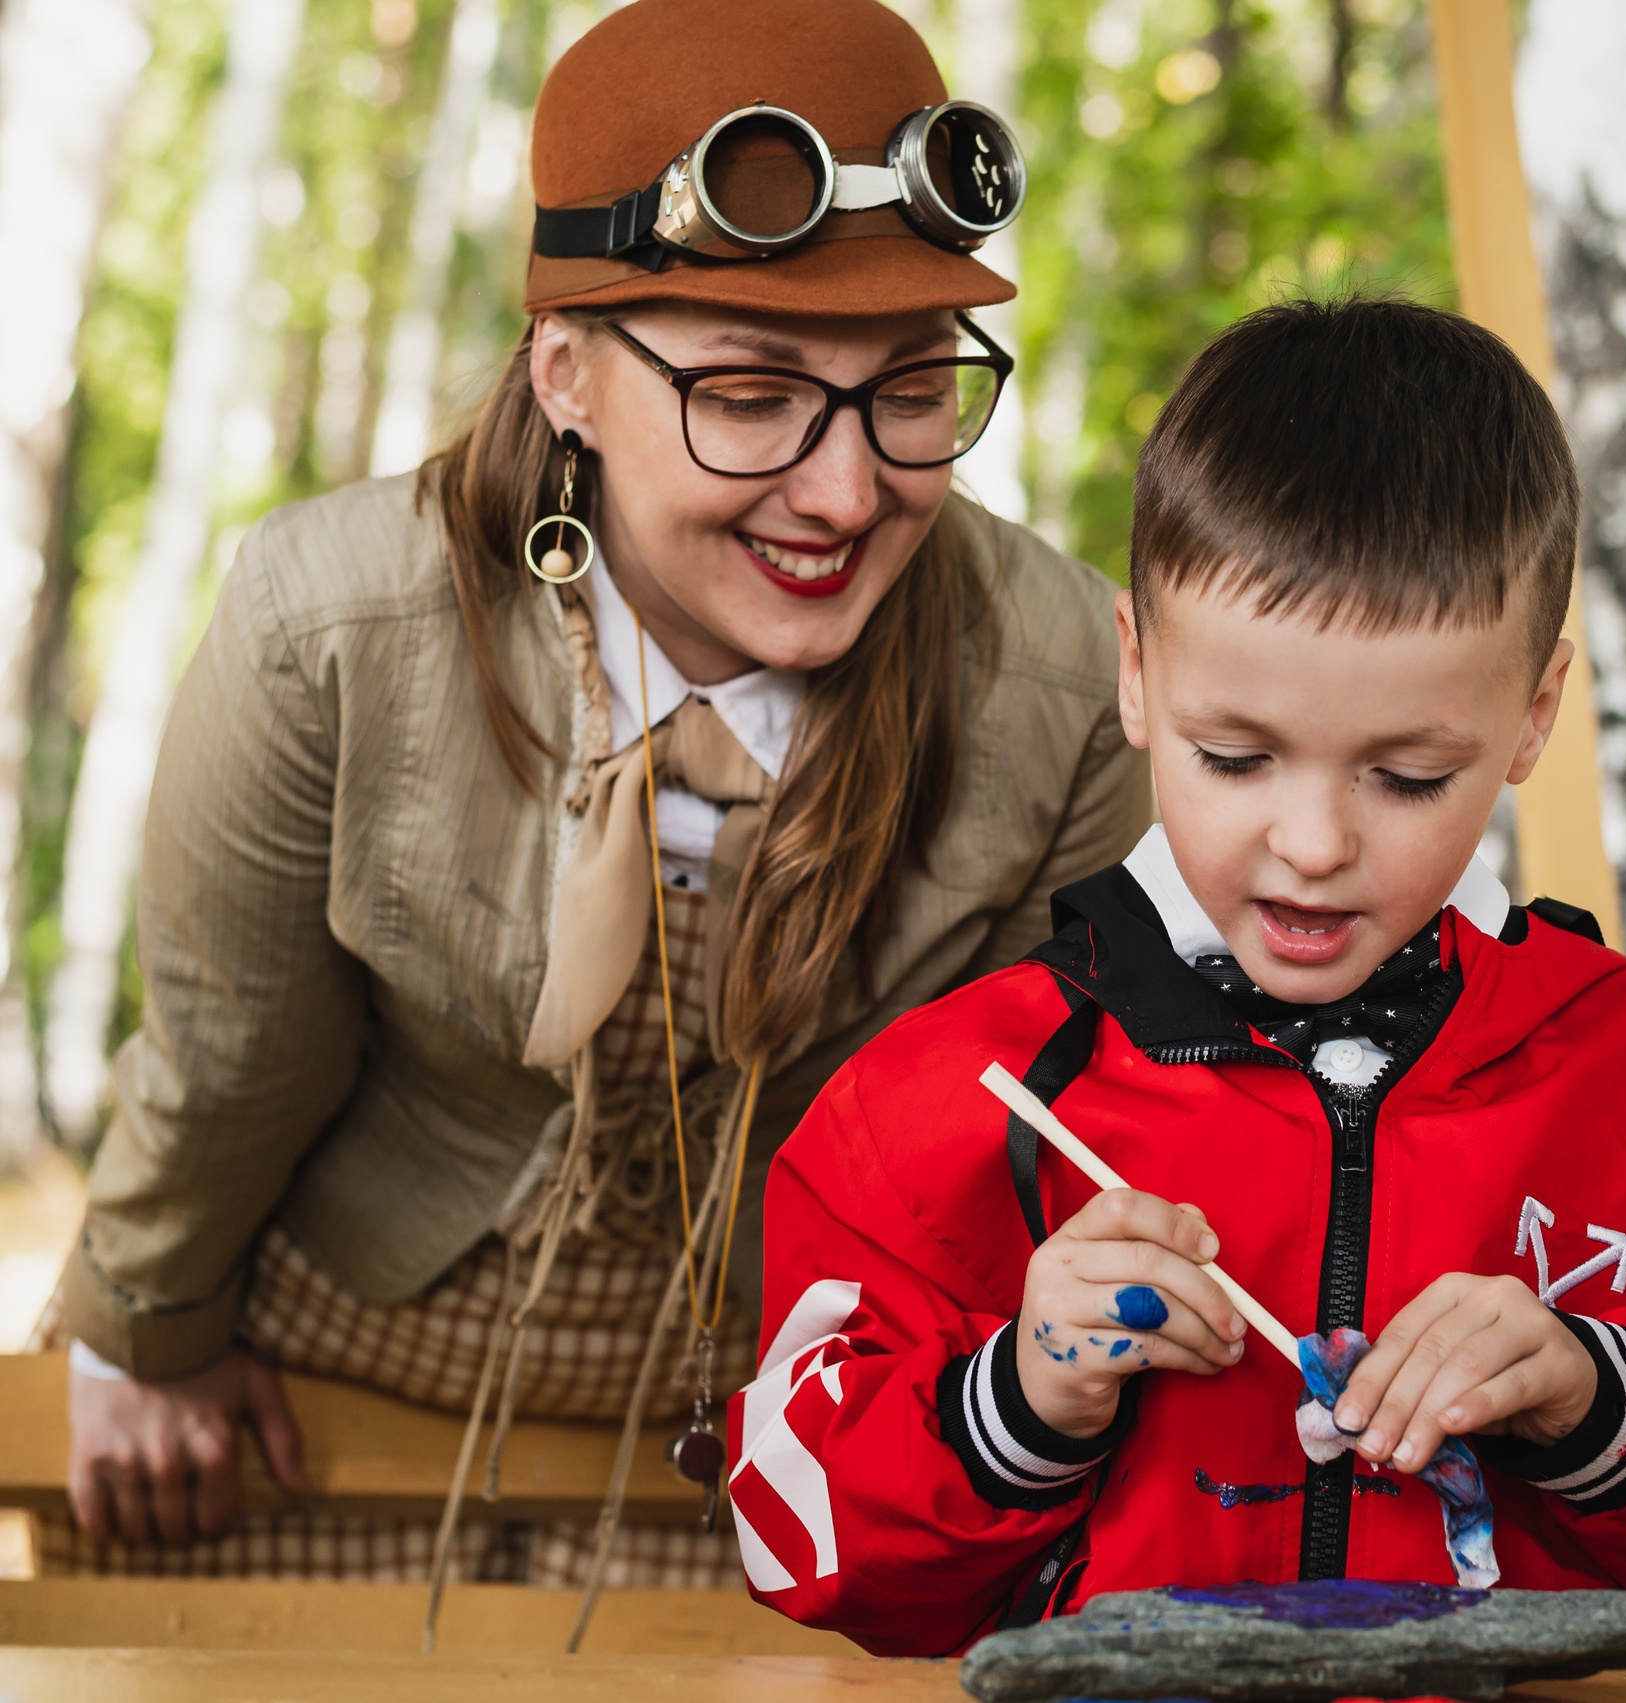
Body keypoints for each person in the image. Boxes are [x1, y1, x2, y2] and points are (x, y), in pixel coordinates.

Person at [50, 0, 1149, 1588]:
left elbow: (1027, 1148)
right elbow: (234, 1057)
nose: (846, 492)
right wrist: (146, 1330)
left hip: (767, 1432)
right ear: (566, 367)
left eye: (912, 388)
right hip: (317, 1383)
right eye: (754, 394)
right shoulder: (329, 621)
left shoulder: (1063, 682)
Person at [728, 297, 1626, 1652]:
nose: (1311, 845)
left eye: (1408, 775)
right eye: (1236, 757)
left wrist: (1599, 1393)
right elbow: (793, 1519)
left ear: (1536, 712)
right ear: (1135, 671)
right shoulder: (955, 1096)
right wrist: (1015, 1396)